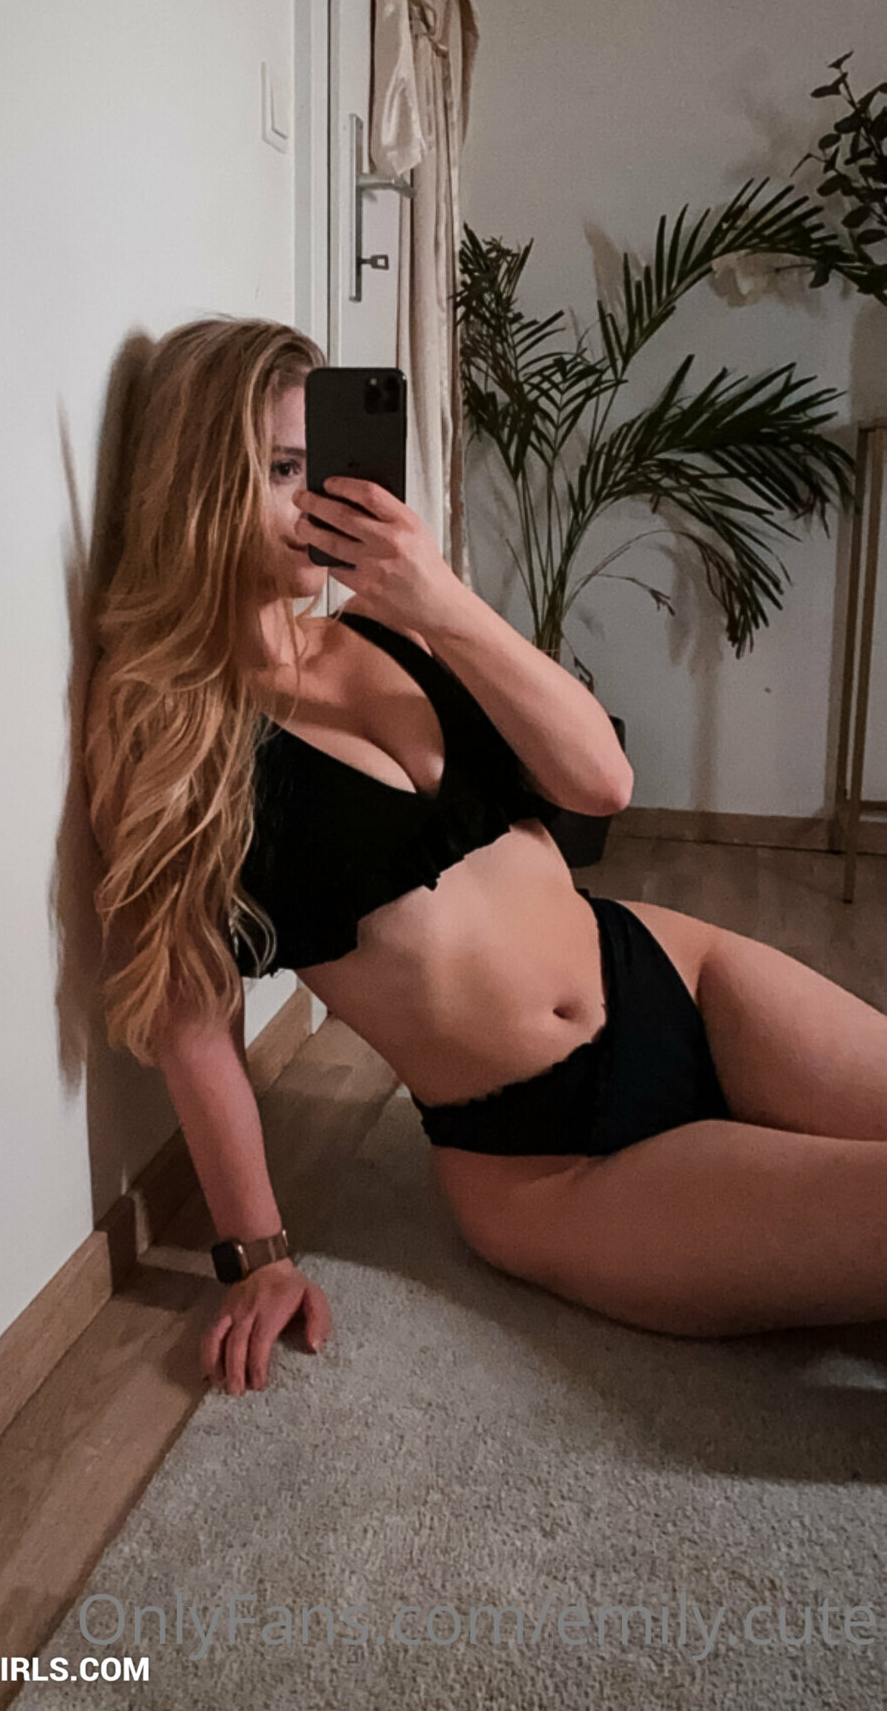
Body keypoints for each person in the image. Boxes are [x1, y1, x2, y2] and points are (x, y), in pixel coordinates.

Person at [84, 316, 887, 1399]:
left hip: (678, 976)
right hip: (549, 1155)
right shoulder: (168, 732)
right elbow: (190, 1014)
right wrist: (257, 1254)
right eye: (279, 471)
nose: (314, 499)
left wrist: (442, 599)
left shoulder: (395, 630)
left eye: (322, 465)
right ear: (196, 482)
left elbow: (599, 782)